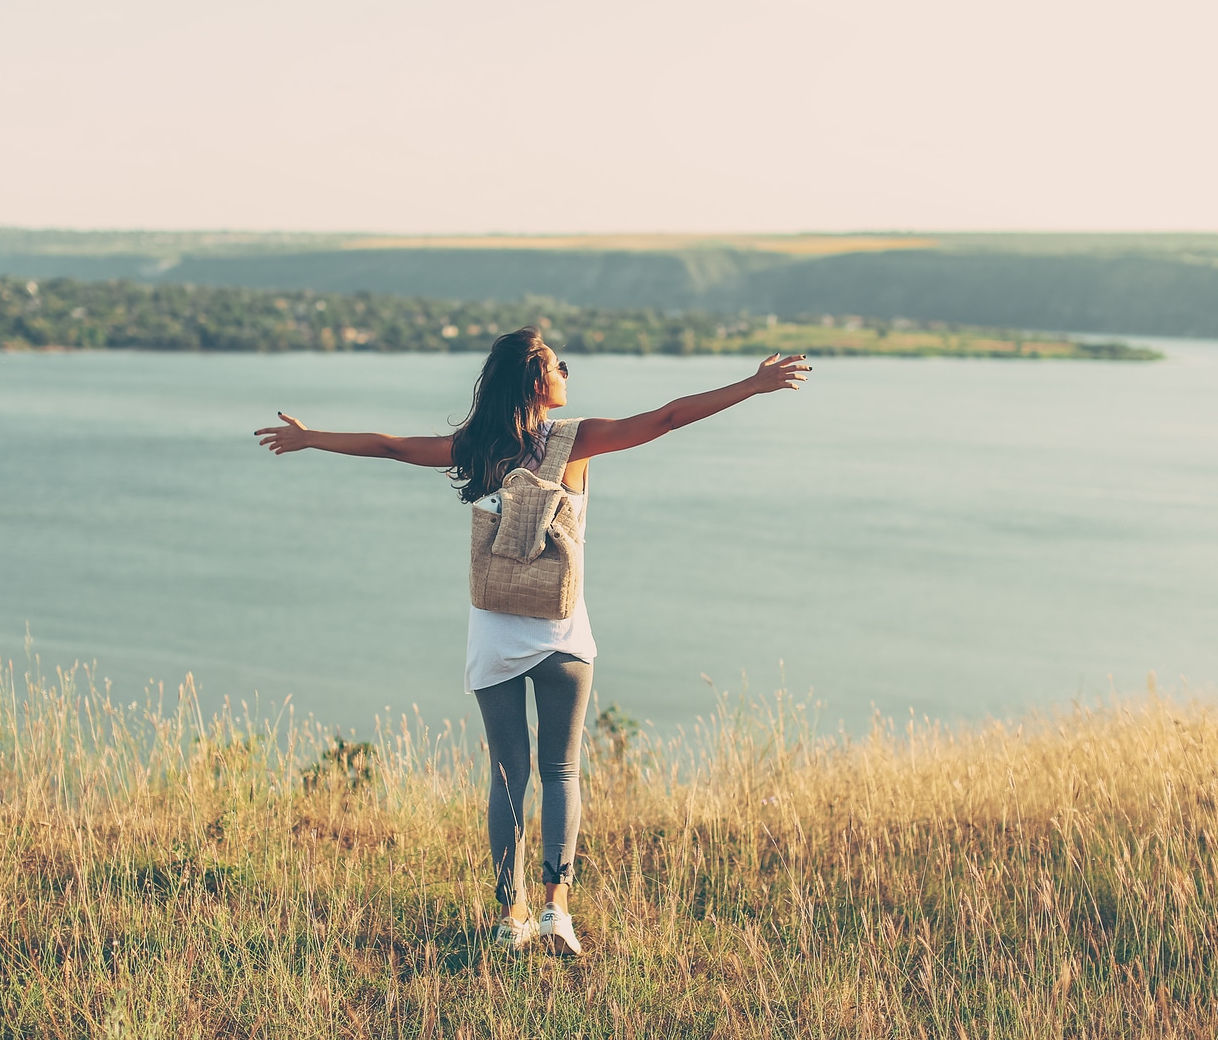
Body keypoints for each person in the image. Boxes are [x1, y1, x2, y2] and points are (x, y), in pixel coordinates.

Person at [254, 328, 810, 955]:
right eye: (558, 364)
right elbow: (669, 417)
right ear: (538, 382)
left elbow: (391, 448)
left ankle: (507, 914)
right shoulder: (578, 439)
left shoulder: (480, 447)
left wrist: (309, 438)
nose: (567, 371)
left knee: (506, 776)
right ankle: (555, 912)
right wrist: (753, 386)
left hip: (495, 629)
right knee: (561, 771)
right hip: (562, 628)